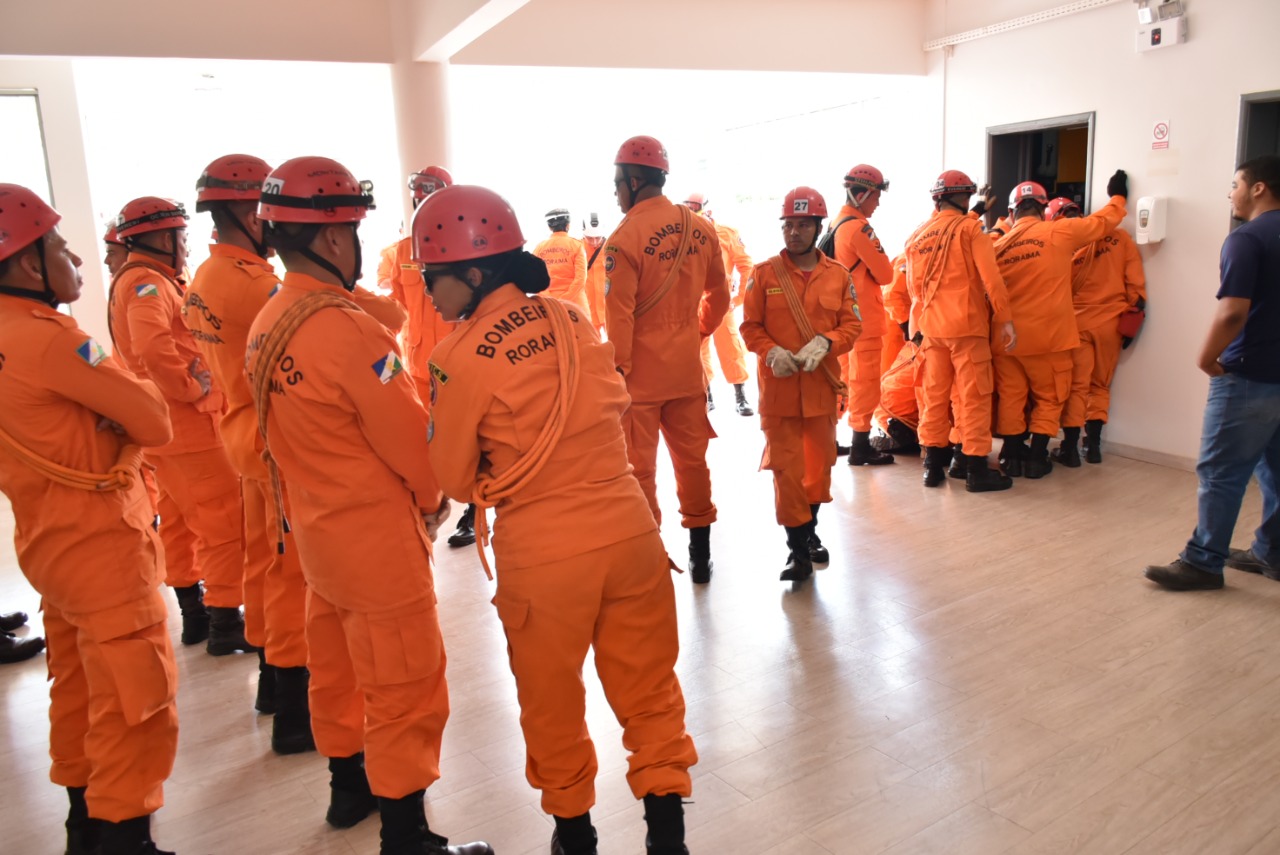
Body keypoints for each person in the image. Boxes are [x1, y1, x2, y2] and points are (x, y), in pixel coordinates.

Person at [417, 184, 698, 855]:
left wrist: (494, 473)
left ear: (475, 272)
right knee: (651, 688)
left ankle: (575, 835)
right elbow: (615, 399)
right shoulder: (571, 319)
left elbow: (454, 478)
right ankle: (668, 836)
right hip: (630, 529)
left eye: (434, 277)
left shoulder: (456, 358)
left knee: (552, 702)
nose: (428, 292)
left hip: (545, 554)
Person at [246, 157, 491, 855]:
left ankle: (347, 787)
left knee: (339, 668)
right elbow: (413, 442)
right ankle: (408, 833)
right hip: (377, 544)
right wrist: (433, 496)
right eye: (353, 229)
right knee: (405, 680)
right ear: (330, 239)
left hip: (318, 539)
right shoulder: (347, 330)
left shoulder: (269, 318)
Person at [0, 184, 179, 855]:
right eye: (57, 245)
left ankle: (84, 826)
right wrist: (123, 416)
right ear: (24, 264)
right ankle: (123, 837)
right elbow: (154, 418)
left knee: (77, 686)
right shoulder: (49, 341)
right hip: (102, 545)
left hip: (51, 543)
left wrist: (113, 418)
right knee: (135, 700)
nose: (75, 256)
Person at [182, 154, 317, 753]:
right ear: (242, 208)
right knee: (291, 570)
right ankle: (295, 709)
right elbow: (323, 315)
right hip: (271, 441)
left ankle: (270, 679)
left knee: (266, 561)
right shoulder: (253, 283)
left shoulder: (208, 279)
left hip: (241, 434)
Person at [107, 196, 252, 656]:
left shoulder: (138, 279)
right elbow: (152, 348)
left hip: (164, 432)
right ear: (161, 237)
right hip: (190, 428)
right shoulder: (148, 283)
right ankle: (226, 620)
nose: (187, 246)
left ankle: (193, 614)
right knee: (224, 524)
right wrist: (192, 387)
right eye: (181, 236)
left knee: (178, 522)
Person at [1146, 155, 1280, 591]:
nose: (1230, 192)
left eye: (1235, 183)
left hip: (1248, 374)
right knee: (1276, 469)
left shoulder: (1247, 239)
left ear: (1259, 187)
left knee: (1221, 471)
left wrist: (1206, 359)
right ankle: (1271, 552)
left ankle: (1203, 562)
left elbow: (1232, 313)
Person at [605, 135, 730, 583]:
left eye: (618, 183)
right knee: (693, 463)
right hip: (686, 372)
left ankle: (650, 559)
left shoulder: (623, 239)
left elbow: (618, 315)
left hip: (638, 380)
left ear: (635, 181)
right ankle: (700, 555)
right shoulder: (700, 228)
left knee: (640, 470)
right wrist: (695, 332)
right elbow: (720, 293)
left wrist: (617, 371)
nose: (615, 192)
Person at [740, 187, 862, 583]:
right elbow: (749, 327)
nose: (793, 233)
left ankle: (809, 534)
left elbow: (852, 325)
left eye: (802, 225)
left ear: (817, 227)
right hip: (779, 394)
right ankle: (798, 549)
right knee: (786, 472)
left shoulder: (839, 276)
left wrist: (828, 341)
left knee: (818, 469)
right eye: (788, 225)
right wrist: (771, 351)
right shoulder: (763, 275)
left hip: (822, 391)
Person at [990, 175, 1128, 478]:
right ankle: (1037, 457)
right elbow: (1103, 222)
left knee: (1012, 396)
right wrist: (1118, 197)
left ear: (1012, 213)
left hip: (1005, 340)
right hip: (1048, 339)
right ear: (1043, 208)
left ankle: (1011, 455)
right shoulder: (1058, 232)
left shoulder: (997, 246)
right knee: (1050, 397)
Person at [377, 165, 478, 550]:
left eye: (429, 196)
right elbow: (398, 306)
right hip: (418, 364)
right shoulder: (403, 252)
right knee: (427, 439)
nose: (421, 203)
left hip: (458, 364)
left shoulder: (462, 248)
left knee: (467, 437)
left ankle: (474, 511)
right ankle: (435, 501)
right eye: (418, 197)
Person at [903, 170, 1016, 492]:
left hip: (931, 329)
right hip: (966, 328)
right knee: (973, 398)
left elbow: (914, 292)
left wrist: (917, 331)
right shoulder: (970, 230)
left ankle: (933, 467)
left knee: (935, 398)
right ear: (963, 197)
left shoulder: (917, 237)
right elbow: (991, 278)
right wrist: (1004, 319)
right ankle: (976, 468)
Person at [1045, 196, 1148, 465]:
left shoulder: (1062, 247)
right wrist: (1132, 323)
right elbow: (1136, 287)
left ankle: (1069, 447)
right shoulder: (1120, 238)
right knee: (1100, 385)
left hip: (1077, 325)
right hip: (1111, 324)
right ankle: (1093, 445)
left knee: (1078, 387)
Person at [830, 165, 896, 466]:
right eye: (876, 196)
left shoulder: (835, 223)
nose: (879, 203)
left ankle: (827, 440)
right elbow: (885, 274)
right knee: (866, 382)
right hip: (864, 320)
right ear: (861, 194)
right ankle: (860, 446)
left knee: (841, 381)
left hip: (841, 320)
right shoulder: (859, 228)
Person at [684, 192, 755, 417]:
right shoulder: (681, 234)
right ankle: (706, 394)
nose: (692, 210)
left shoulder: (726, 234)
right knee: (696, 351)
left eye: (695, 206)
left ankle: (740, 394)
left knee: (731, 347)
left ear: (707, 209)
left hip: (721, 302)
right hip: (693, 303)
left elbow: (747, 267)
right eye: (688, 206)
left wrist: (739, 298)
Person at [533, 208, 590, 311]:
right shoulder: (577, 246)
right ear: (568, 225)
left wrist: (551, 299)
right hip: (576, 305)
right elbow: (581, 279)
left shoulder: (539, 248)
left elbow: (534, 279)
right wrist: (565, 299)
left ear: (550, 227)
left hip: (548, 307)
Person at [581, 213, 608, 333]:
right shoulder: (577, 249)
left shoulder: (611, 247)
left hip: (608, 309)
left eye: (598, 237)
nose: (594, 241)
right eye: (590, 238)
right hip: (587, 310)